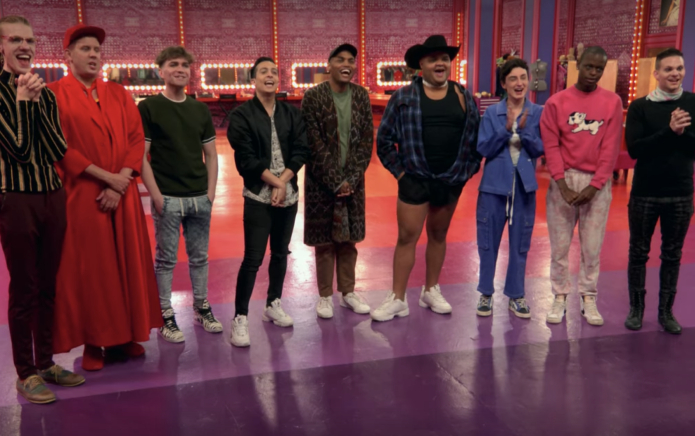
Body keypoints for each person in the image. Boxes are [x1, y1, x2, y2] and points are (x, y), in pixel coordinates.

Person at [48, 24, 161, 370]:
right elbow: (58, 146)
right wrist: (106, 178)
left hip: (122, 193)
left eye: (97, 49)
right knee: (93, 270)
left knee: (128, 263)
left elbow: (135, 139)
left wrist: (120, 180)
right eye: (85, 48)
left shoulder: (118, 93)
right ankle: (94, 341)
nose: (93, 54)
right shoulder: (54, 94)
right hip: (83, 192)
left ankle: (127, 335)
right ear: (68, 55)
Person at [0, 15, 84, 404]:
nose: (25, 46)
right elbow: (18, 151)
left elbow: (56, 150)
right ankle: (25, 372)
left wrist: (35, 103)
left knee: (49, 283)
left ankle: (46, 361)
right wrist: (22, 103)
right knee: (25, 287)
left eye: (30, 41)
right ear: (1, 46)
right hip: (15, 197)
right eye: (15, 39)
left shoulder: (45, 94)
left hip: (52, 193)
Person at [374, 35, 481, 322]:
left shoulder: (463, 96)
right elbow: (384, 141)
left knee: (438, 235)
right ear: (421, 64)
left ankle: (431, 290)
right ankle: (398, 298)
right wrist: (401, 174)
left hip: (450, 180)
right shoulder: (403, 97)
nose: (440, 63)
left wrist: (465, 173)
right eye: (433, 59)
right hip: (414, 179)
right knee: (407, 237)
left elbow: (475, 139)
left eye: (444, 59)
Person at [139, 46, 222, 343]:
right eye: (173, 64)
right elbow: (141, 156)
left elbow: (211, 154)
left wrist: (210, 193)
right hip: (168, 198)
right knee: (166, 260)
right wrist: (157, 196)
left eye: (185, 65)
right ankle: (165, 315)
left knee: (200, 258)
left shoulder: (199, 109)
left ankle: (201, 308)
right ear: (161, 71)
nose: (180, 69)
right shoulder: (149, 107)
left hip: (200, 197)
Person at [227, 57, 309, 347]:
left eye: (274, 71)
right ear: (253, 79)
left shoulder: (291, 113)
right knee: (253, 258)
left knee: (281, 253)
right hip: (257, 195)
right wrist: (275, 182)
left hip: (289, 195)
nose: (270, 75)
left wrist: (284, 181)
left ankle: (273, 303)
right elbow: (245, 158)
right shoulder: (241, 115)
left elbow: (301, 149)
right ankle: (240, 317)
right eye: (264, 71)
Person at [540, 46, 623, 326]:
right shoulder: (556, 103)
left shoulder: (612, 102)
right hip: (563, 180)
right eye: (589, 66)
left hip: (596, 184)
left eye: (599, 68)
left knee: (592, 246)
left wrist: (596, 184)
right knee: (559, 246)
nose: (593, 73)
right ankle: (560, 295)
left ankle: (589, 296)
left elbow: (610, 147)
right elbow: (551, 146)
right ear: (578, 65)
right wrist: (561, 184)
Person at [624, 48, 694, 334]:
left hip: (680, 193)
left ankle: (666, 312)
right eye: (668, 69)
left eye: (679, 68)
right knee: (638, 252)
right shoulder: (640, 107)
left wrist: (680, 133)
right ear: (656, 74)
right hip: (645, 193)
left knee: (673, 254)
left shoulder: (692, 103)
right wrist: (669, 131)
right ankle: (636, 309)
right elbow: (635, 149)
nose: (675, 73)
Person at [301, 43, 373, 319]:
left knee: (349, 240)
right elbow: (313, 143)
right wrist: (335, 181)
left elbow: (366, 141)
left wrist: (351, 179)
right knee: (324, 241)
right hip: (321, 181)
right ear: (328, 65)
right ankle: (324, 296)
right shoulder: (313, 97)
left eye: (351, 60)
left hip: (353, 181)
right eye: (340, 59)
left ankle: (348, 292)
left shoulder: (361, 95)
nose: (346, 64)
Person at [475, 58, 544, 318]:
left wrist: (525, 133)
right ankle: (485, 293)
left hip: (524, 189)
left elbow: (540, 149)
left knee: (520, 243)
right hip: (493, 187)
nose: (519, 83)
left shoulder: (538, 112)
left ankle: (516, 295)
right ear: (503, 84)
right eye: (513, 78)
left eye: (523, 77)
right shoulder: (492, 113)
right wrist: (505, 130)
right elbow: (483, 148)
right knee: (487, 241)